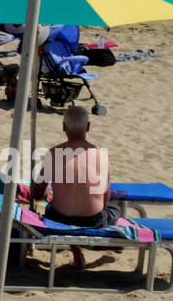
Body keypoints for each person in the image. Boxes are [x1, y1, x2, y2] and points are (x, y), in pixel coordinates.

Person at [30, 105, 117, 269]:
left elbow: (37, 194)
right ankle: (116, 244)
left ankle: (77, 253)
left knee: (51, 208)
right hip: (92, 221)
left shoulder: (53, 153)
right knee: (114, 209)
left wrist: (48, 193)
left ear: (64, 127)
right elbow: (104, 200)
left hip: (59, 219)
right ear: (88, 127)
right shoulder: (101, 155)